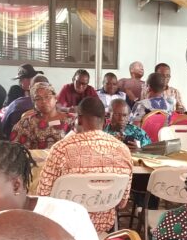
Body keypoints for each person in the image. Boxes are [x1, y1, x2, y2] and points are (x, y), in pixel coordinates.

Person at [36, 97, 133, 233]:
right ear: (105, 121)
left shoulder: (61, 149)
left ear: (79, 119)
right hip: (101, 231)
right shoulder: (123, 150)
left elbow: (43, 196)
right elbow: (122, 202)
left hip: (63, 229)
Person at [10, 81, 74, 149]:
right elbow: (17, 150)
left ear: (55, 98)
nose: (43, 101)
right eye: (38, 98)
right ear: (34, 103)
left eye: (47, 96)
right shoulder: (27, 123)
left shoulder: (71, 119)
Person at [0, 75, 49, 141]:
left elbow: (3, 127)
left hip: (18, 144)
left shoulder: (16, 105)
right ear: (49, 88)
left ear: (30, 88)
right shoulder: (54, 108)